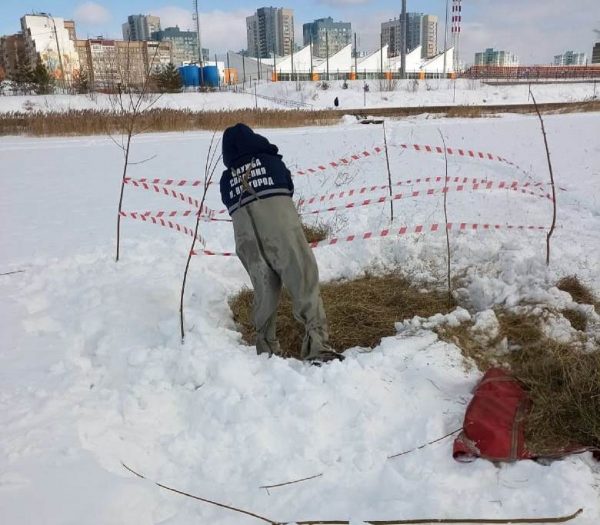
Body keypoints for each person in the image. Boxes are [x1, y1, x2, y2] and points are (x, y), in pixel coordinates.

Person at [220, 123, 344, 364]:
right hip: (281, 233)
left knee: (264, 291)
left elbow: (229, 205)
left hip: (247, 241)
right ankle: (317, 346)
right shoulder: (271, 162)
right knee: (303, 281)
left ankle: (266, 352)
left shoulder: (226, 179)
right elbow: (288, 188)